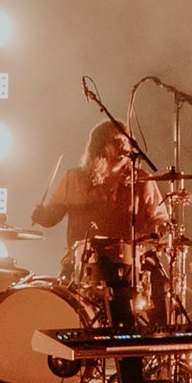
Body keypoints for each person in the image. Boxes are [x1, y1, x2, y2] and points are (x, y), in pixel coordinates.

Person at [31, 119, 168, 281]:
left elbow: (158, 219)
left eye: (126, 141)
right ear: (100, 146)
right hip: (81, 264)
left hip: (129, 267)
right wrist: (42, 215)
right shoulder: (74, 178)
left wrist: (162, 231)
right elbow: (53, 216)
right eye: (116, 141)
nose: (123, 146)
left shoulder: (142, 180)